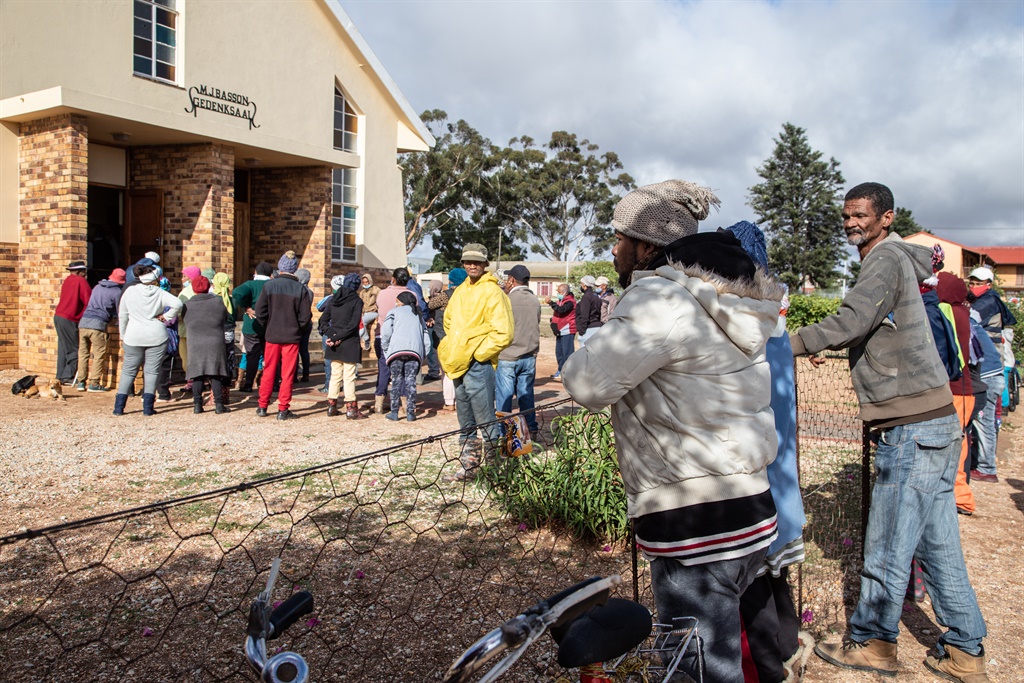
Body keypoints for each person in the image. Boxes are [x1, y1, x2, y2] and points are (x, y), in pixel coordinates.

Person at [561, 180, 782, 682]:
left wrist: (604, 329)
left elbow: (586, 382)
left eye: (619, 239)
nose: (614, 250)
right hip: (747, 504)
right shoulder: (720, 294)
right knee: (726, 656)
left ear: (644, 246)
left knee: (695, 667)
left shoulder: (661, 298)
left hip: (695, 519)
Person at [789, 182, 988, 681]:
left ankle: (874, 642)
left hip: (912, 427)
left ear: (886, 217)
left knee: (888, 540)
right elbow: (872, 328)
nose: (852, 224)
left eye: (860, 216)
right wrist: (835, 346)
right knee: (938, 544)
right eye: (846, 216)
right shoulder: (898, 261)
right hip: (936, 421)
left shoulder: (884, 259)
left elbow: (853, 319)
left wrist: (779, 344)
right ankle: (966, 649)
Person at [724, 221, 811, 683]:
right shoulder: (773, 308)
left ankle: (767, 666)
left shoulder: (741, 312)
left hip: (754, 467)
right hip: (779, 465)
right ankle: (789, 644)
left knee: (752, 579)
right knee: (775, 572)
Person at [438, 243, 513, 480]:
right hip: (458, 363)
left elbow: (504, 332)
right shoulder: (460, 291)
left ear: (485, 264)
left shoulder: (492, 292)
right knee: (466, 419)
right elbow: (448, 322)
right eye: (468, 261)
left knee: (485, 418)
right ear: (462, 264)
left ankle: (494, 471)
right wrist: (453, 347)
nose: (472, 265)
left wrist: (478, 353)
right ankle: (469, 467)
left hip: (478, 366)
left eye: (477, 262)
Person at [966, 266, 1016, 483]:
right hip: (988, 370)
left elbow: (969, 317)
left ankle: (987, 468)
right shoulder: (986, 300)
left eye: (979, 283)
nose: (975, 286)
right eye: (972, 282)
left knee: (984, 419)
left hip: (989, 370)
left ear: (989, 285)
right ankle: (982, 463)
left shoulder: (989, 302)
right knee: (981, 418)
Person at [113, 265, 182, 416]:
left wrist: (123, 335)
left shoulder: (129, 291)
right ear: (155, 279)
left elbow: (123, 315)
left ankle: (119, 407)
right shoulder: (159, 292)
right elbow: (178, 304)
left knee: (128, 371)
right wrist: (166, 317)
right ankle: (148, 408)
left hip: (133, 335)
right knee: (152, 371)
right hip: (156, 335)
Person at [937, 272, 977, 516]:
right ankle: (960, 498)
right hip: (964, 389)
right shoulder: (963, 311)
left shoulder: (947, 311)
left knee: (952, 448)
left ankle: (960, 499)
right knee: (958, 444)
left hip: (954, 389)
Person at [254, 251, 312, 420]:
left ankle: (262, 405)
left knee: (269, 371)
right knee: (287, 374)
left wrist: (267, 325)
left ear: (280, 267)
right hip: (291, 336)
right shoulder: (300, 289)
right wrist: (297, 328)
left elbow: (260, 311)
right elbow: (305, 317)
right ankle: (283, 408)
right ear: (294, 269)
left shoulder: (269, 286)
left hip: (272, 334)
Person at [495, 265, 541, 441]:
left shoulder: (507, 300)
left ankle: (504, 434)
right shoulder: (535, 300)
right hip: (529, 356)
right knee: (526, 395)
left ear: (512, 280)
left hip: (508, 356)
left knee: (505, 398)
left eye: (508, 279)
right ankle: (531, 429)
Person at [181, 276, 232, 414]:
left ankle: (197, 405)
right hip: (215, 341)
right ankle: (219, 405)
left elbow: (184, 320)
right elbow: (225, 318)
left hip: (195, 342)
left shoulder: (187, 304)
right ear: (209, 286)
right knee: (215, 373)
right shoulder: (217, 302)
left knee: (197, 374)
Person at [319, 273, 364, 419]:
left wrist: (332, 335)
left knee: (335, 375)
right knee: (349, 376)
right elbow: (353, 324)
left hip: (335, 341)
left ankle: (332, 405)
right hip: (349, 341)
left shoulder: (333, 299)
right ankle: (351, 408)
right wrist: (338, 337)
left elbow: (323, 321)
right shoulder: (357, 301)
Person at [380, 291, 431, 422]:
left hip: (396, 351)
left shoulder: (393, 312)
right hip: (414, 352)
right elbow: (426, 338)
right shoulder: (419, 316)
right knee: (411, 381)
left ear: (401, 301)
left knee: (396, 380)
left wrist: (386, 348)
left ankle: (394, 412)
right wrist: (423, 353)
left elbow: (385, 333)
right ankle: (410, 413)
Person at [76, 268, 125, 392]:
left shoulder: (97, 287)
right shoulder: (117, 292)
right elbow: (119, 310)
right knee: (98, 354)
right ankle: (94, 383)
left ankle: (81, 382)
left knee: (83, 354)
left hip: (84, 321)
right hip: (98, 324)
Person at [373, 267, 413, 415]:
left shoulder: (382, 294)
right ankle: (404, 403)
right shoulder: (411, 294)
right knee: (402, 370)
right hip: (403, 337)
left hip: (382, 335)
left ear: (393, 279)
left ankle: (379, 402)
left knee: (383, 368)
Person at [429, 268, 466, 411]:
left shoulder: (445, 295)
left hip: (443, 336)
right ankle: (461, 401)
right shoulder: (467, 295)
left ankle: (449, 402)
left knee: (446, 370)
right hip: (461, 337)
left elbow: (430, 305)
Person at [233, 262, 273, 392]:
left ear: (256, 273)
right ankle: (273, 383)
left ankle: (249, 383)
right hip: (270, 323)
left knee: (252, 355)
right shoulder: (273, 285)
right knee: (271, 356)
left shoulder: (250, 284)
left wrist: (247, 307)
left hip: (252, 324)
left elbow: (237, 293)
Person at [54, 260, 92, 385]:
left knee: (63, 347)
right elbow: (88, 300)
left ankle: (60, 375)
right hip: (70, 318)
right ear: (80, 272)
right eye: (84, 272)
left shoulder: (68, 280)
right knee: (74, 349)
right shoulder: (81, 281)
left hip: (59, 316)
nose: (85, 274)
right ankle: (68, 376)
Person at [547, 283, 576, 380]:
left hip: (567, 331)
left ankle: (568, 373)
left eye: (559, 292)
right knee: (559, 353)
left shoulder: (570, 302)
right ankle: (560, 370)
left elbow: (561, 310)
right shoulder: (561, 300)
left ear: (565, 292)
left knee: (567, 353)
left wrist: (551, 303)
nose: (557, 294)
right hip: (559, 331)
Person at [177, 265, 201, 383]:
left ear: (191, 278)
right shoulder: (204, 290)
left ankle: (191, 381)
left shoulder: (184, 293)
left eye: (184, 276)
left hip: (186, 330)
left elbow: (179, 312)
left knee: (186, 357)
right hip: (200, 331)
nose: (182, 279)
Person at [294, 268, 314, 384]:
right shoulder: (310, 291)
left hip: (298, 323)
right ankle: (306, 374)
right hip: (308, 323)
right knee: (304, 350)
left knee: (295, 350)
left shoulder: (299, 291)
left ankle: (294, 375)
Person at [574, 275, 603, 347]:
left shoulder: (586, 297)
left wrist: (581, 331)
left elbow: (585, 315)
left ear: (584, 285)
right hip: (597, 327)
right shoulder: (596, 296)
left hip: (589, 329)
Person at [359, 273, 380, 351]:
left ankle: (366, 339)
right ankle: (363, 338)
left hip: (374, 311)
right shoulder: (362, 292)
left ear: (370, 281)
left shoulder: (376, 290)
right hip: (365, 312)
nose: (365, 284)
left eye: (366, 282)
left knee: (362, 321)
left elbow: (380, 301)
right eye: (363, 282)